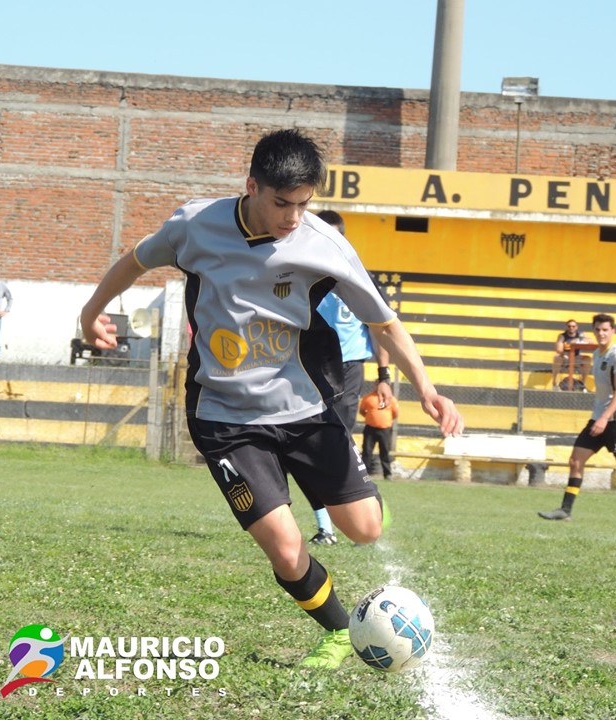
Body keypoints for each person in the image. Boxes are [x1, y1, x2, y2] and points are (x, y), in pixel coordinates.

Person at [80, 128, 463, 669]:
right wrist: (90, 312)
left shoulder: (322, 245)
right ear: (251, 186)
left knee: (365, 529)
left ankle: (363, 501)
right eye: (282, 202)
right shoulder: (196, 225)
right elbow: (134, 261)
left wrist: (427, 389)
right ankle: (336, 631)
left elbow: (385, 322)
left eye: (304, 204)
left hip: (304, 408)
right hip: (224, 418)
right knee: (285, 548)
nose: (291, 217)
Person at [305, 209, 393, 545]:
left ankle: (357, 507)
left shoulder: (357, 276)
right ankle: (326, 524)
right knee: (308, 442)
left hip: (349, 367)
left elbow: (378, 325)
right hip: (308, 364)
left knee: (337, 439)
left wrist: (383, 375)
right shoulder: (298, 272)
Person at [539, 314, 616, 526]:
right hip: (598, 418)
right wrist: (599, 417)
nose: (601, 333)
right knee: (575, 460)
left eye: (605, 329)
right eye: (598, 330)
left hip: (615, 420)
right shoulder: (597, 354)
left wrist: (605, 418)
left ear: (613, 331)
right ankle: (565, 510)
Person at [359, 389, 399, 480]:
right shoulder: (368, 397)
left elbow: (395, 413)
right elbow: (362, 411)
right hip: (370, 428)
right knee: (367, 451)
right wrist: (371, 418)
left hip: (385, 429)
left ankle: (387, 474)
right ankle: (364, 475)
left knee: (385, 451)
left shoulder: (391, 399)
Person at [552, 318, 592, 390]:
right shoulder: (562, 336)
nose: (571, 328)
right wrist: (566, 349)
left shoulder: (580, 334)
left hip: (576, 357)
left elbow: (591, 341)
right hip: (565, 357)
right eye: (569, 326)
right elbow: (559, 349)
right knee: (557, 358)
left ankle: (582, 383)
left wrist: (579, 340)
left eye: (573, 326)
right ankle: (554, 383)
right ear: (566, 327)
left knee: (587, 359)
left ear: (576, 327)